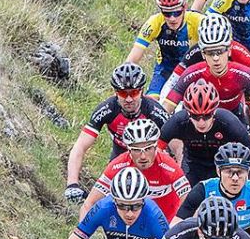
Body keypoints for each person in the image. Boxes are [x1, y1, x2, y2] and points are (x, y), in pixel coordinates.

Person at [64, 62, 170, 204]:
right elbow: (79, 147)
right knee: (106, 202)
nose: (128, 99)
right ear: (115, 92)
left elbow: (177, 146)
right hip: (120, 156)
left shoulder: (155, 111)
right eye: (122, 93)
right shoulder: (107, 109)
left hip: (150, 159)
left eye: (134, 92)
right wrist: (72, 184)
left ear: (142, 90)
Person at [127, 0, 201, 93]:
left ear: (185, 7)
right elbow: (133, 58)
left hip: (191, 68)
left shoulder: (197, 20)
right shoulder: (154, 22)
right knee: (153, 101)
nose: (172, 18)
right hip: (165, 69)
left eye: (177, 12)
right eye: (166, 13)